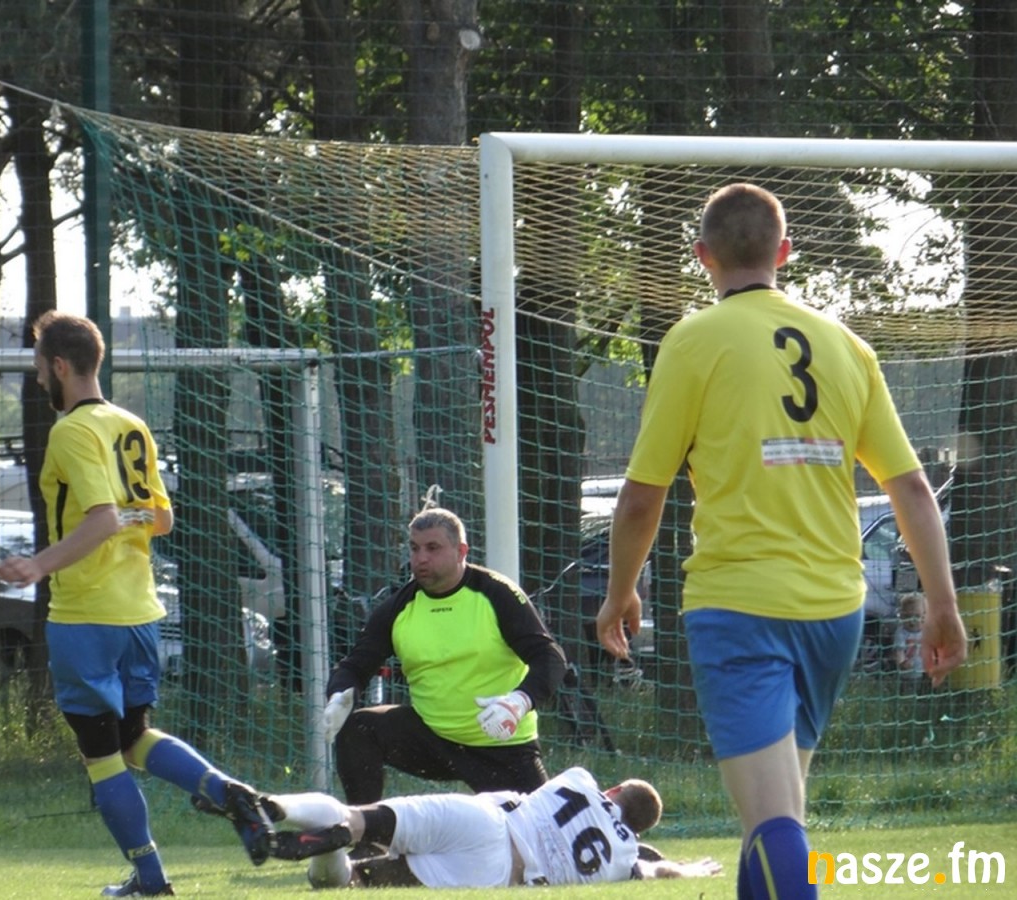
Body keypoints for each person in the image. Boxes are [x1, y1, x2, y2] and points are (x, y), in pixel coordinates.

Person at [595, 184, 967, 900]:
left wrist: (619, 593)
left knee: (773, 822)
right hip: (835, 614)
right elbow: (913, 490)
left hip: (740, 609)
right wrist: (943, 606)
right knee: (771, 818)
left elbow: (643, 495)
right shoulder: (847, 346)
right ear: (785, 253)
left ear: (702, 256)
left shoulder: (693, 341)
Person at [0, 310, 275, 898]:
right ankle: (227, 793)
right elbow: (162, 518)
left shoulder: (71, 431)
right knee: (133, 738)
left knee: (102, 757)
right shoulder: (131, 424)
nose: (38, 379)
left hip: (85, 616)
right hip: (140, 614)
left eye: (39, 368)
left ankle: (150, 878)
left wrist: (38, 565)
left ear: (59, 366)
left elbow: (101, 519)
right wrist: (122, 518)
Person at [322, 507, 568, 804]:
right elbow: (354, 666)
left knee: (544, 826)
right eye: (414, 548)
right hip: (432, 738)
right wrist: (339, 694)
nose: (421, 558)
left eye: (433, 548)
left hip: (500, 741)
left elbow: (550, 657)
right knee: (359, 729)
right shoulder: (398, 607)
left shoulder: (497, 593)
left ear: (461, 551)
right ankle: (364, 828)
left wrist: (518, 702)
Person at [264, 766, 722, 888]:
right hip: (499, 872)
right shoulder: (624, 857)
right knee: (357, 882)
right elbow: (658, 871)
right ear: (638, 834)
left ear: (615, 790)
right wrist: (690, 869)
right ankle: (333, 854)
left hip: (486, 820)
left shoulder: (581, 779)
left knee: (360, 819)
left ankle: (274, 807)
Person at [892, 592, 927, 681]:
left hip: (926, 670)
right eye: (907, 616)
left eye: (917, 616)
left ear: (924, 616)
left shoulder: (927, 631)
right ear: (901, 616)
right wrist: (902, 663)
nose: (912, 621)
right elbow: (899, 651)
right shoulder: (901, 633)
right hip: (908, 672)